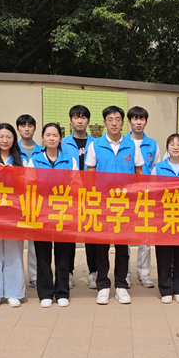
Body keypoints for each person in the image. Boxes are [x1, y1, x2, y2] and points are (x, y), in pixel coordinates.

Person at [86, 105, 143, 305]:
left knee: (122, 247)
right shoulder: (95, 145)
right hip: (102, 203)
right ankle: (103, 285)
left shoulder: (132, 145)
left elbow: (139, 174)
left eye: (118, 119)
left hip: (124, 204)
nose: (114, 123)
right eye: (110, 119)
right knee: (101, 246)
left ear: (122, 122)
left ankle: (121, 285)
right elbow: (90, 175)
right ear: (104, 123)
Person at [28, 122, 78, 308]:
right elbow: (29, 186)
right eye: (48, 135)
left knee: (63, 255)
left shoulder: (69, 160)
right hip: (41, 214)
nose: (51, 138)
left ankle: (62, 292)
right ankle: (46, 293)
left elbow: (76, 186)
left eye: (55, 135)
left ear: (60, 139)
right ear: (42, 138)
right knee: (42, 255)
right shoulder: (34, 160)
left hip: (64, 214)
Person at [0, 123, 27, 308]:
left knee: (14, 252)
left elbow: (28, 184)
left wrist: (14, 174)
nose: (4, 140)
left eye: (8, 137)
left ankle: (14, 292)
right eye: (1, 136)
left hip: (13, 213)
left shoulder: (21, 160)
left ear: (14, 139)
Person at [153, 134, 179, 304]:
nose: (175, 147)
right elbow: (152, 191)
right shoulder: (158, 167)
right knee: (163, 254)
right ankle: (165, 290)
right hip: (163, 216)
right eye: (172, 144)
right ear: (167, 148)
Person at [126, 106, 159, 289]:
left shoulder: (152, 144)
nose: (138, 122)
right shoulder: (123, 143)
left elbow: (155, 171)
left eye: (141, 119)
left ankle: (143, 274)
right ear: (129, 121)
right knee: (125, 237)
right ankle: (125, 274)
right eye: (135, 119)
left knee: (145, 237)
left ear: (146, 121)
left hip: (146, 196)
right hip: (126, 196)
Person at [61, 104, 94, 289]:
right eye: (76, 117)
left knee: (91, 233)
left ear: (88, 121)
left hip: (91, 194)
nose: (79, 121)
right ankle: (68, 272)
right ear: (71, 121)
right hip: (70, 195)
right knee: (69, 235)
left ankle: (94, 272)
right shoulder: (63, 143)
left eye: (83, 117)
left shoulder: (96, 143)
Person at [17, 114, 40, 290]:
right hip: (16, 202)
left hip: (36, 202)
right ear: (18, 128)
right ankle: (15, 278)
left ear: (34, 128)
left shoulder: (42, 151)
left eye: (30, 126)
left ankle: (35, 276)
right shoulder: (12, 150)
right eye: (23, 126)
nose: (26, 129)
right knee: (15, 242)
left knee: (35, 241)